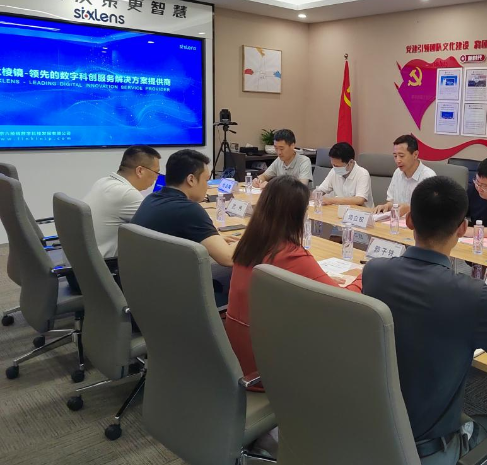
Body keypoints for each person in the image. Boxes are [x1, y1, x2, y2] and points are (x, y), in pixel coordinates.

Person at [363, 177, 487, 465]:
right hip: (425, 453)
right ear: (462, 228)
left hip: (372, 432)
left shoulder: (374, 271)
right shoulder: (472, 295)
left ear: (409, 221)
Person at [226, 175, 362, 381]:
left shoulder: (249, 244)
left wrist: (318, 279)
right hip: (268, 369)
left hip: (237, 358)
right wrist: (365, 276)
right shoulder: (291, 254)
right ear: (297, 215)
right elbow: (346, 301)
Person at [131, 149, 237, 306]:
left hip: (143, 294)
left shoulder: (151, 199)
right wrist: (250, 238)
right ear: (191, 179)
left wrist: (211, 239)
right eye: (206, 180)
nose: (207, 186)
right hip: (174, 302)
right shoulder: (188, 209)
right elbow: (228, 258)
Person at [83, 145, 161, 259]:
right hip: (107, 264)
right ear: (140, 171)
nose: (156, 178)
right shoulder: (127, 193)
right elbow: (160, 229)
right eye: (156, 172)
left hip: (85, 258)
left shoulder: (103, 182)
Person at [373, 134, 436, 217]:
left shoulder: (428, 177)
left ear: (415, 155)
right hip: (397, 221)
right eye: (395, 156)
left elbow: (432, 210)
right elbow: (391, 201)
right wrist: (386, 206)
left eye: (401, 156)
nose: (397, 160)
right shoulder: (397, 173)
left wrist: (410, 209)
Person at [316, 141, 373, 208]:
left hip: (360, 212)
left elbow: (359, 200)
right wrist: (314, 195)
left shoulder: (362, 174)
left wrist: (331, 200)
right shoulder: (333, 171)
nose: (335, 168)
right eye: (333, 165)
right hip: (339, 210)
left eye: (337, 166)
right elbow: (320, 190)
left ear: (350, 162)